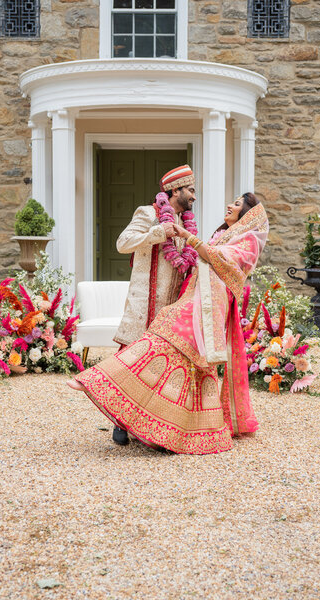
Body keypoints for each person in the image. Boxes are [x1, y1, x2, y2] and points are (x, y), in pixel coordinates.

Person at [68, 193, 269, 455]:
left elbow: (221, 259)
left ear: (248, 215)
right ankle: (178, 432)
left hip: (210, 303)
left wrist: (187, 237)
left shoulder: (249, 240)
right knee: (188, 360)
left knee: (164, 335)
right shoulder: (223, 233)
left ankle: (100, 378)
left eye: (238, 204)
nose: (230, 205)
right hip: (192, 295)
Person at [110, 164, 198, 446]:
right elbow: (123, 243)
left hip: (171, 310)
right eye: (191, 190)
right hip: (144, 305)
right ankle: (119, 422)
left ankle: (153, 427)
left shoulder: (185, 224)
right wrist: (159, 232)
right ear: (176, 190)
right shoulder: (148, 213)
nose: (194, 196)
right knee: (129, 366)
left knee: (161, 372)